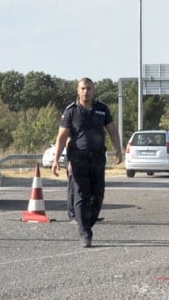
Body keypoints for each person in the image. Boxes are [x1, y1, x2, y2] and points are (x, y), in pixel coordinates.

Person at [51, 78, 123, 248]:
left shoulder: (102, 109)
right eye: (83, 88)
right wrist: (56, 159)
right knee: (81, 195)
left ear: (93, 90)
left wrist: (118, 150)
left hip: (98, 158)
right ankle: (84, 232)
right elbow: (62, 137)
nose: (86, 91)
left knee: (97, 195)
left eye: (89, 88)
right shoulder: (71, 111)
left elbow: (112, 130)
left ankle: (87, 222)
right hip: (78, 158)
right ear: (78, 91)